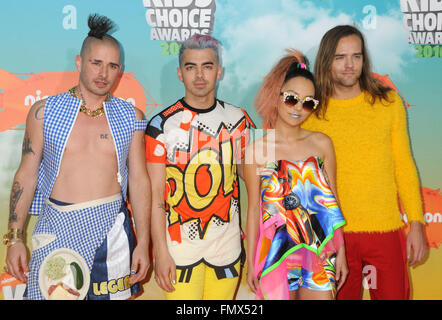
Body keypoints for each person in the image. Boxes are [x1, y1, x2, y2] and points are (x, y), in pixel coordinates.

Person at [4, 14, 151, 300]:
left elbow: (140, 180)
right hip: (56, 231)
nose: (103, 73)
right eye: (96, 63)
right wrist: (14, 238)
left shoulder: (131, 116)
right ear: (79, 62)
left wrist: (143, 242)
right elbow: (26, 174)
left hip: (112, 235)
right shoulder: (44, 112)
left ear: (120, 71)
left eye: (113, 66)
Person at [302, 25, 426, 300]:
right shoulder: (310, 110)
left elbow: (403, 165)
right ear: (326, 60)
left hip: (385, 231)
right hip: (335, 235)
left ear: (364, 59)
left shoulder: (388, 103)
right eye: (340, 57)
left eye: (356, 56)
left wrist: (415, 223)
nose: (349, 65)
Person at [145, 34, 254, 300]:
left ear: (219, 71)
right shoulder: (160, 125)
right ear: (180, 73)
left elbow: (255, 181)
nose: (200, 75)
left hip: (227, 248)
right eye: (191, 67)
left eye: (207, 66)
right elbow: (156, 194)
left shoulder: (239, 119)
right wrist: (160, 250)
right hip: (178, 251)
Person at [244, 50, 348, 300]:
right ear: (276, 95)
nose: (299, 108)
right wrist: (251, 261)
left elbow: (333, 200)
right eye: (292, 98)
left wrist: (341, 250)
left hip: (320, 251)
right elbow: (254, 210)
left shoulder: (322, 143)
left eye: (309, 102)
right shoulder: (256, 150)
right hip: (275, 253)